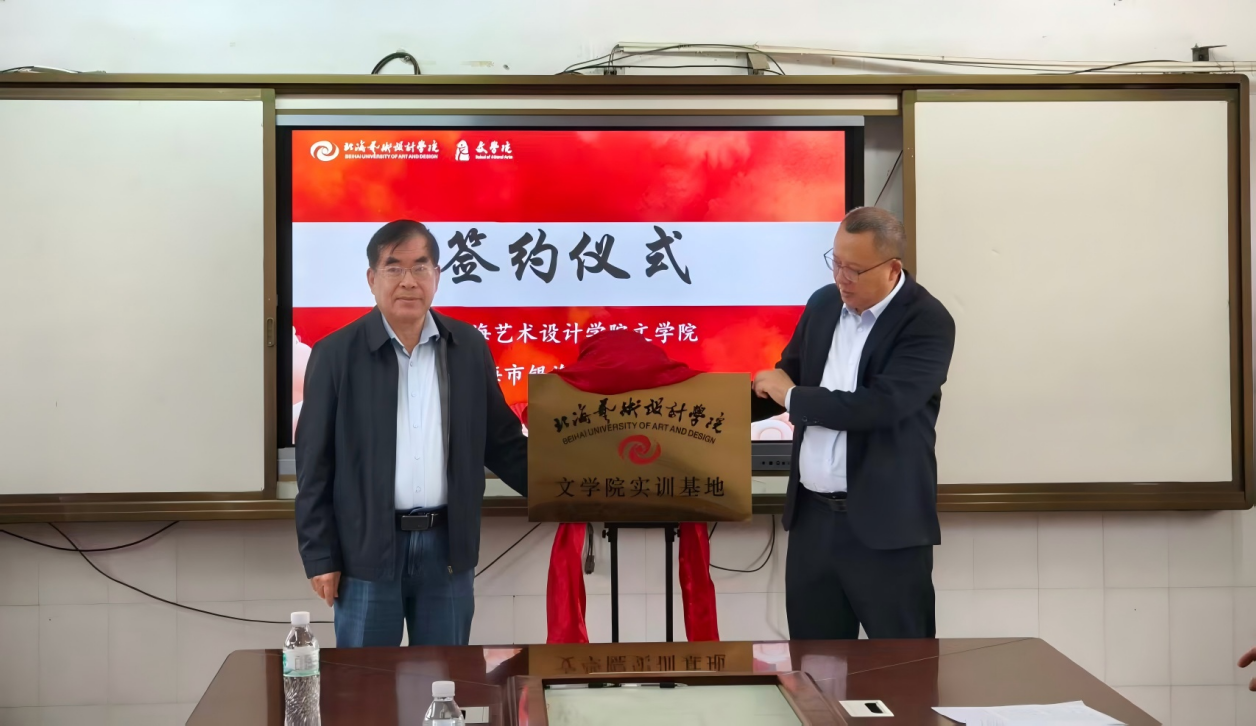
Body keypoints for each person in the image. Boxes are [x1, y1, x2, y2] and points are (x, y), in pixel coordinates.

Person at [295, 219, 528, 648]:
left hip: (447, 550)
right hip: (366, 552)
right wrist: (320, 555)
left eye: (420, 267)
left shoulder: (467, 348)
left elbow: (504, 444)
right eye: (394, 268)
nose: (408, 281)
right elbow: (314, 465)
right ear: (372, 279)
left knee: (444, 679)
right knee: (367, 682)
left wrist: (568, 490)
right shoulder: (335, 355)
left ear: (436, 276)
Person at [751, 206, 955, 640]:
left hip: (886, 530)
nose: (841, 278)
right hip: (813, 524)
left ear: (892, 269)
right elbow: (783, 379)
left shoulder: (927, 321)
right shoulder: (823, 305)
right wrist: (707, 405)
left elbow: (879, 407)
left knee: (902, 668)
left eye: (854, 270)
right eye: (836, 262)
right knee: (815, 665)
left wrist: (792, 396)